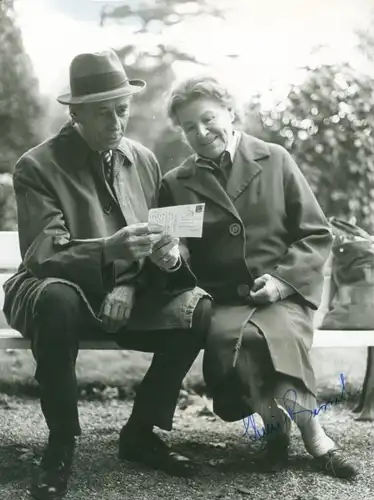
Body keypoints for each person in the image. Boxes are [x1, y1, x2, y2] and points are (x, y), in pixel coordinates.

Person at [2, 50, 212, 500]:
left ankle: (140, 433)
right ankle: (59, 446)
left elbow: (167, 232)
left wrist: (147, 268)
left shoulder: (144, 160)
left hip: (126, 291)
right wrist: (109, 251)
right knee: (57, 300)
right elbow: (42, 253)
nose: (116, 123)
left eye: (122, 110)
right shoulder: (37, 166)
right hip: (52, 291)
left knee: (198, 310)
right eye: (102, 114)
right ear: (75, 114)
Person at [160, 75, 359, 479]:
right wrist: (170, 257)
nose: (201, 133)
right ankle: (287, 430)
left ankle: (309, 436)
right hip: (222, 300)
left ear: (230, 112)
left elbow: (315, 233)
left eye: (208, 119)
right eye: (189, 127)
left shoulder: (275, 159)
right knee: (239, 341)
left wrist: (282, 281)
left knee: (267, 337)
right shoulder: (175, 183)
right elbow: (177, 254)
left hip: (284, 292)